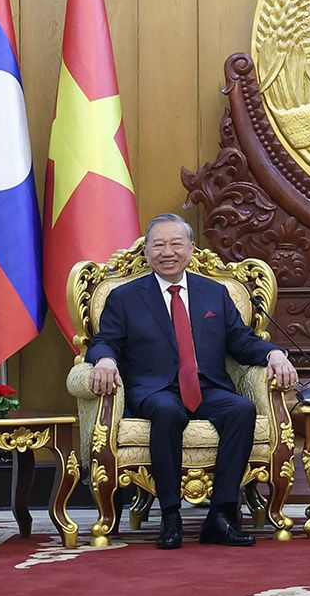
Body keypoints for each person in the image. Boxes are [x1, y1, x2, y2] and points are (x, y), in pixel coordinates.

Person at [88, 214, 299, 549]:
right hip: (155, 389)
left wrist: (274, 354)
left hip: (207, 387)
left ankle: (221, 515)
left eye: (176, 244)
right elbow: (105, 340)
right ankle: (170, 515)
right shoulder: (124, 296)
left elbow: (241, 341)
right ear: (146, 251)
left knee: (241, 410)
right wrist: (105, 360)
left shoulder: (214, 292)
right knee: (167, 411)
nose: (167, 252)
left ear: (191, 249)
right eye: (158, 245)